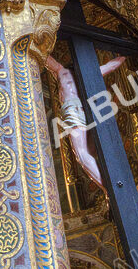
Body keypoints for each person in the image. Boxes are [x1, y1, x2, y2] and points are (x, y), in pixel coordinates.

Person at [45, 54, 126, 187]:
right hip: (86, 110)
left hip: (72, 110)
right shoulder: (88, 75)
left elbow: (45, 57)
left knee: (82, 155)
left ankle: (108, 189)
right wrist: (124, 55)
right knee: (91, 152)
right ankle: (110, 184)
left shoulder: (62, 72)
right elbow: (112, 65)